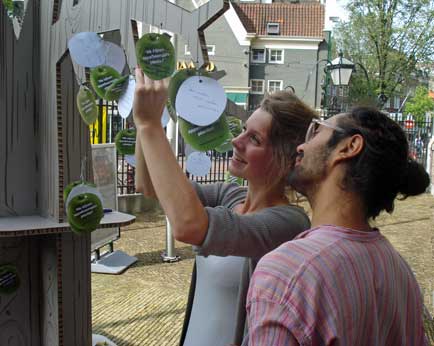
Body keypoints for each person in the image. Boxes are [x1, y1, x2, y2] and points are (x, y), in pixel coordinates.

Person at [132, 68, 317, 346]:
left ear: (285, 158)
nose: (236, 141)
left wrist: (150, 126)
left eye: (254, 139)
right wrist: (145, 119)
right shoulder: (231, 196)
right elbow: (147, 184)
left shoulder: (288, 224)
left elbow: (187, 225)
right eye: (243, 130)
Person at [243, 107, 430, 345]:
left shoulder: (286, 274)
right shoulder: (401, 274)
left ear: (348, 147)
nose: (301, 146)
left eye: (316, 131)